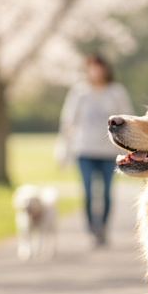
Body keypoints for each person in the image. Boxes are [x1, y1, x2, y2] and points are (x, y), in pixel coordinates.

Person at [56, 54, 133, 247]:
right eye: (92, 68)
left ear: (106, 69)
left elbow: (128, 120)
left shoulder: (116, 92)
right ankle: (92, 229)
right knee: (89, 192)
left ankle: (102, 228)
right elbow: (68, 122)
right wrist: (62, 150)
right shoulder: (79, 92)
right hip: (85, 150)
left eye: (99, 67)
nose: (96, 72)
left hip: (109, 151)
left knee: (106, 193)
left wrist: (130, 149)